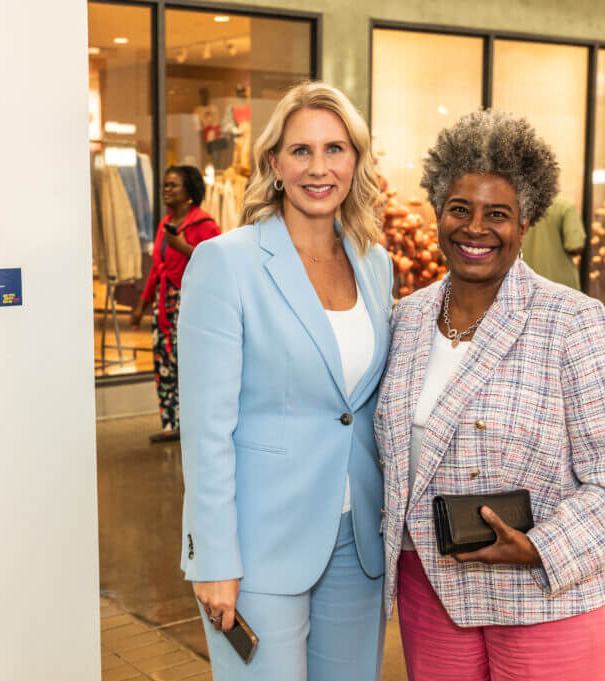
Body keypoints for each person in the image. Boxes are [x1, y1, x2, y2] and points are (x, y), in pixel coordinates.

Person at [374, 109, 605, 681]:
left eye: (496, 214)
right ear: (437, 213)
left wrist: (539, 547)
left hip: (549, 597)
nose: (475, 228)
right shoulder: (404, 320)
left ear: (525, 223)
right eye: (460, 209)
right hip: (432, 592)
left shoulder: (574, 321)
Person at [177, 81, 393, 681]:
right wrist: (212, 556)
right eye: (301, 151)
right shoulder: (227, 262)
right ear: (274, 163)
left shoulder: (376, 265)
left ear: (356, 159)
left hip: (358, 540)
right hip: (258, 545)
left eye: (335, 149)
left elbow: (365, 408)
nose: (318, 168)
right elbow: (205, 429)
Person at [130, 166, 220, 443]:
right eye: (165, 185)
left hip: (193, 304)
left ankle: (198, 424)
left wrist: (183, 247)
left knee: (192, 365)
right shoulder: (164, 224)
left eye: (173, 185)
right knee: (164, 364)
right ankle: (171, 424)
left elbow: (219, 265)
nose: (166, 190)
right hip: (164, 304)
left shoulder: (205, 225)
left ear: (189, 193)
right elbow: (158, 268)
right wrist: (143, 304)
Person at [520, 194, 585, 290]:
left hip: (526, 286)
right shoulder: (565, 206)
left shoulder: (519, 208)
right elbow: (575, 246)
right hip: (560, 287)